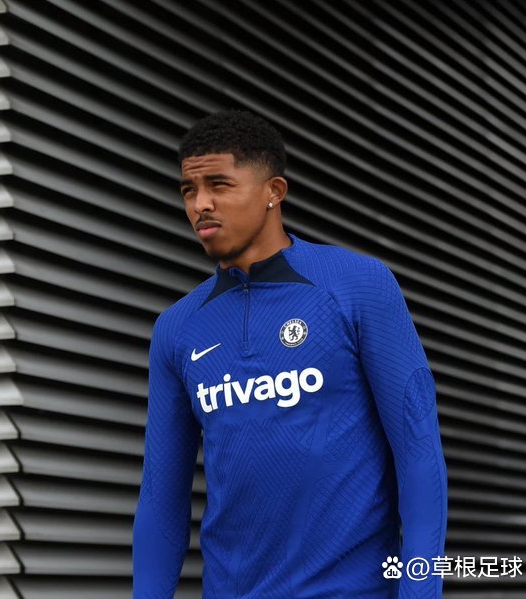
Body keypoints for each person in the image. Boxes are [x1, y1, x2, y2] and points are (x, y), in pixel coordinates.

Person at [132, 109, 448, 598]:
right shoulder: (177, 329)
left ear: (273, 192)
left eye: (219, 185)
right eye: (189, 190)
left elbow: (418, 456)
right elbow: (161, 500)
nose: (200, 204)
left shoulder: (357, 286)